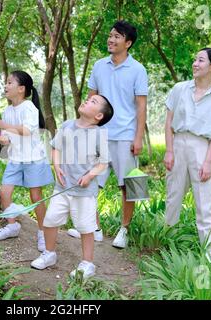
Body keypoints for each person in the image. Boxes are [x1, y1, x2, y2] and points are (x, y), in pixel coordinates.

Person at [67, 20, 148, 248]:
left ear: (128, 43)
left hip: (125, 135)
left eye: (117, 37)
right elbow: (92, 98)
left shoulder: (138, 69)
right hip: (98, 134)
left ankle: (125, 230)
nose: (111, 40)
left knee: (130, 185)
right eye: (110, 35)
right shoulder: (99, 65)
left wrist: (138, 137)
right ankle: (95, 228)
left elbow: (141, 106)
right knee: (91, 182)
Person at [30, 95, 114, 279]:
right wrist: (57, 167)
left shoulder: (99, 134)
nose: (87, 100)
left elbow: (104, 162)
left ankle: (87, 264)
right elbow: (56, 148)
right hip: (62, 188)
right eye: (88, 98)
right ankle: (49, 253)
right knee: (50, 220)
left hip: (84, 192)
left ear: (99, 116)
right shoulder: (68, 125)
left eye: (93, 102)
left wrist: (90, 175)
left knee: (85, 227)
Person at [164, 47, 211, 261]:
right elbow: (168, 122)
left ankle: (209, 257)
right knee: (173, 198)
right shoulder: (179, 89)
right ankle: (168, 246)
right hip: (178, 144)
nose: (195, 63)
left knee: (205, 204)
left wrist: (207, 162)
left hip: (202, 149)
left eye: (200, 60)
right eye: (195, 59)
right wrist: (169, 150)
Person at [0, 70, 54, 252]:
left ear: (21, 89)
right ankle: (12, 225)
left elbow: (27, 131)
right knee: (4, 192)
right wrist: (4, 138)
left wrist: (4, 127)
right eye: (6, 82)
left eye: (10, 83)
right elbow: (9, 135)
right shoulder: (7, 111)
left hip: (34, 159)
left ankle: (42, 232)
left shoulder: (29, 108)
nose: (5, 86)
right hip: (15, 159)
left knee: (36, 196)